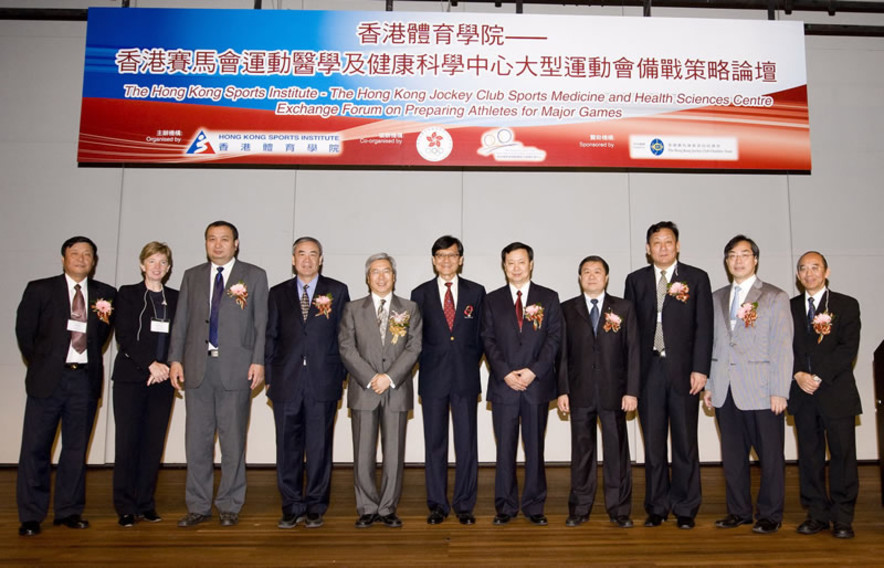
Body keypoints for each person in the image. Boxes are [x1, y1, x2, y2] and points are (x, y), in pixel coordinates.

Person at [169, 221, 268, 528]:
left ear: (236, 243)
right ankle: (197, 506)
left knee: (233, 441)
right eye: (212, 239)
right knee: (196, 443)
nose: (218, 244)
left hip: (236, 369)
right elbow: (181, 321)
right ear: (206, 243)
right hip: (198, 368)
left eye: (224, 239)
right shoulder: (192, 276)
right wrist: (175, 359)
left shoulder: (253, 275)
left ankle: (229, 504)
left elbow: (261, 323)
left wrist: (259, 361)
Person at [15, 236, 116, 537]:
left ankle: (69, 511)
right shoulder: (40, 289)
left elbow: (103, 334)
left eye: (88, 254)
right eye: (75, 253)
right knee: (35, 449)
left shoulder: (105, 295)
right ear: (63, 258)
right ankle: (31, 516)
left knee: (75, 450)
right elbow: (25, 333)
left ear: (94, 261)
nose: (82, 259)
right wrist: (45, 364)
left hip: (84, 381)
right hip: (48, 380)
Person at [624, 221, 712, 529]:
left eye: (668, 241)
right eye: (656, 243)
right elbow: (631, 334)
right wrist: (631, 379)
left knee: (685, 441)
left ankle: (686, 507)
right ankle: (657, 506)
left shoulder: (696, 278)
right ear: (647, 249)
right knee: (654, 444)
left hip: (685, 372)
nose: (663, 247)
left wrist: (701, 369)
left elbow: (704, 327)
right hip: (649, 372)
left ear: (677, 245)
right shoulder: (635, 280)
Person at [704, 235, 792, 534]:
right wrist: (710, 384)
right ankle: (739, 511)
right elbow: (714, 345)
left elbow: (782, 347)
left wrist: (780, 390)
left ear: (755, 259)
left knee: (769, 457)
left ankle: (770, 514)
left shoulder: (774, 296)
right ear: (726, 261)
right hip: (725, 389)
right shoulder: (716, 297)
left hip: (762, 390)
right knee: (732, 456)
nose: (738, 260)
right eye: (732, 255)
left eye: (744, 254)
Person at [265, 237, 350, 530]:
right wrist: (269, 376)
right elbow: (270, 337)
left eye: (313, 254)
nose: (307, 259)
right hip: (286, 381)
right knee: (287, 446)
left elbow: (344, 338)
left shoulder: (337, 291)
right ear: (292, 259)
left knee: (319, 447)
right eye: (301, 254)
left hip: (322, 381)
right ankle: (291, 505)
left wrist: (340, 377)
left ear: (321, 259)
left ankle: (315, 505)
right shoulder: (277, 293)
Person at [338, 253, 422, 528]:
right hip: (364, 390)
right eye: (376, 272)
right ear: (367, 277)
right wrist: (372, 377)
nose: (382, 276)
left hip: (396, 390)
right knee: (363, 453)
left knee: (394, 453)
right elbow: (346, 348)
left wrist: (390, 377)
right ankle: (366, 507)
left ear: (394, 276)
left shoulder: (409, 308)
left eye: (387, 271)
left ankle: (387, 508)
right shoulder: (353, 309)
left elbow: (414, 347)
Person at [481, 242, 562, 527]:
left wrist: (533, 371)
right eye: (510, 262)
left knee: (534, 448)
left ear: (531, 264)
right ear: (504, 266)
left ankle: (534, 505)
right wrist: (504, 372)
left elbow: (554, 339)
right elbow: (487, 340)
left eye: (521, 262)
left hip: (535, 386)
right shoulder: (491, 300)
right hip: (504, 386)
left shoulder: (549, 297)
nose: (516, 267)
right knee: (504, 450)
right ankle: (505, 506)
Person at [558, 255, 640, 528]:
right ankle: (580, 508)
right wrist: (563, 391)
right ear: (579, 278)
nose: (591, 276)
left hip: (614, 393)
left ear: (606, 277)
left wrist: (631, 391)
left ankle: (619, 509)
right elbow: (563, 356)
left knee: (616, 453)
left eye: (597, 272)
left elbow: (633, 352)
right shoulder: (567, 309)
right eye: (586, 272)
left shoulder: (624, 308)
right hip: (579, 393)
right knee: (582, 453)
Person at [410, 235, 486, 526]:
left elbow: (481, 336)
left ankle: (465, 504)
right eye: (440, 256)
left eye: (452, 255)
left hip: (465, 377)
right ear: (433, 260)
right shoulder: (420, 294)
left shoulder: (476, 292)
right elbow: (414, 338)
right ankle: (437, 505)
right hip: (432, 378)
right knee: (435, 444)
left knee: (467, 443)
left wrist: (468, 361)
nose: (446, 261)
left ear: (461, 259)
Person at [789, 251, 862, 539]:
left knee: (843, 456)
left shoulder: (845, 305)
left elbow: (848, 348)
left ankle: (843, 517)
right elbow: (782, 347)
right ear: (798, 275)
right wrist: (798, 374)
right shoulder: (790, 307)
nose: (809, 273)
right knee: (809, 457)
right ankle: (816, 513)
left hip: (836, 393)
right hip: (802, 394)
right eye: (803, 269)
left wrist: (817, 376)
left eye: (815, 267)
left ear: (826, 271)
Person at [111, 242, 178, 527]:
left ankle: (145, 503)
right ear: (142, 265)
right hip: (131, 378)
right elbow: (124, 335)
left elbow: (182, 335)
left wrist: (168, 366)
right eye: (152, 261)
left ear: (169, 267)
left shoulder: (175, 298)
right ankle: (125, 506)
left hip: (163, 381)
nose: (157, 267)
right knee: (128, 443)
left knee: (153, 444)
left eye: (163, 262)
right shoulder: (126, 294)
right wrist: (150, 363)